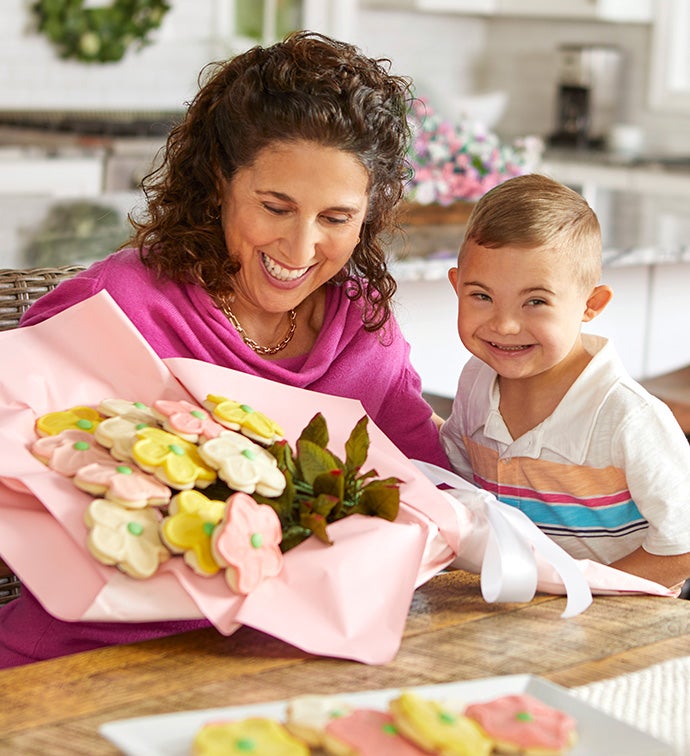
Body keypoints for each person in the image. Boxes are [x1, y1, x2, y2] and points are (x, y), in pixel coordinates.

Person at [0, 31, 450, 669]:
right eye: (275, 206)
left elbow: (431, 491)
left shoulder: (363, 327)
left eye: (336, 218)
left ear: (370, 214)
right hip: (79, 668)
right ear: (219, 181)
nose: (299, 251)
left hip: (286, 668)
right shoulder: (115, 306)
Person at [440, 173, 690, 593]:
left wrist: (574, 586)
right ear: (456, 287)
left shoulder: (627, 418)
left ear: (591, 304)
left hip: (624, 624)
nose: (504, 324)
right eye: (481, 296)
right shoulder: (475, 383)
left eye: (535, 301)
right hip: (523, 611)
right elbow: (462, 490)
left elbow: (683, 546)